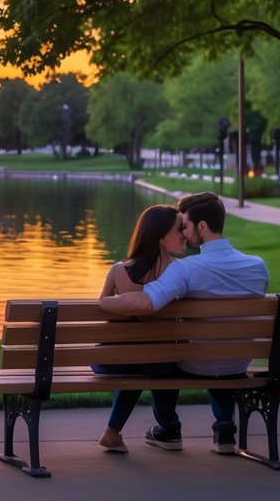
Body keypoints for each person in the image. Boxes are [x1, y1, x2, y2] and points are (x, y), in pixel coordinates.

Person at [99, 191, 269, 455]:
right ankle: (224, 427)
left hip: (196, 362)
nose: (184, 234)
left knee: (170, 357)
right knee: (222, 351)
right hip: (239, 360)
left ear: (202, 226)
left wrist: (104, 302)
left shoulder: (186, 269)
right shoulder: (257, 266)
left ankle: (168, 428)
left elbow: (145, 303)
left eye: (186, 226)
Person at [92, 204, 185, 453]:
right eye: (179, 228)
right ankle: (169, 426)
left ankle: (113, 431)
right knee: (156, 360)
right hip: (161, 362)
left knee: (134, 360)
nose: (184, 233)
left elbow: (102, 308)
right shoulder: (178, 272)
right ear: (161, 234)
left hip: (113, 361)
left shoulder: (118, 270)